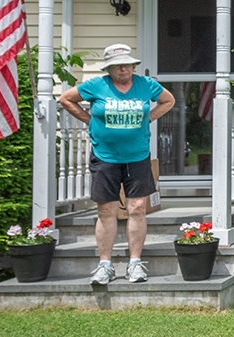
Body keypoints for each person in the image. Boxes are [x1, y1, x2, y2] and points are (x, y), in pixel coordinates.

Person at [58, 43, 175, 285]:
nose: (125, 68)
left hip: (138, 156)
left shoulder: (146, 85)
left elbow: (168, 100)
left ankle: (135, 264)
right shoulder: (96, 86)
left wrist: (148, 119)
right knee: (106, 210)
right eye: (118, 65)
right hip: (105, 157)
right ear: (109, 68)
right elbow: (66, 99)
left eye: (128, 64)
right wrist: (89, 120)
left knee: (137, 209)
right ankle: (105, 265)